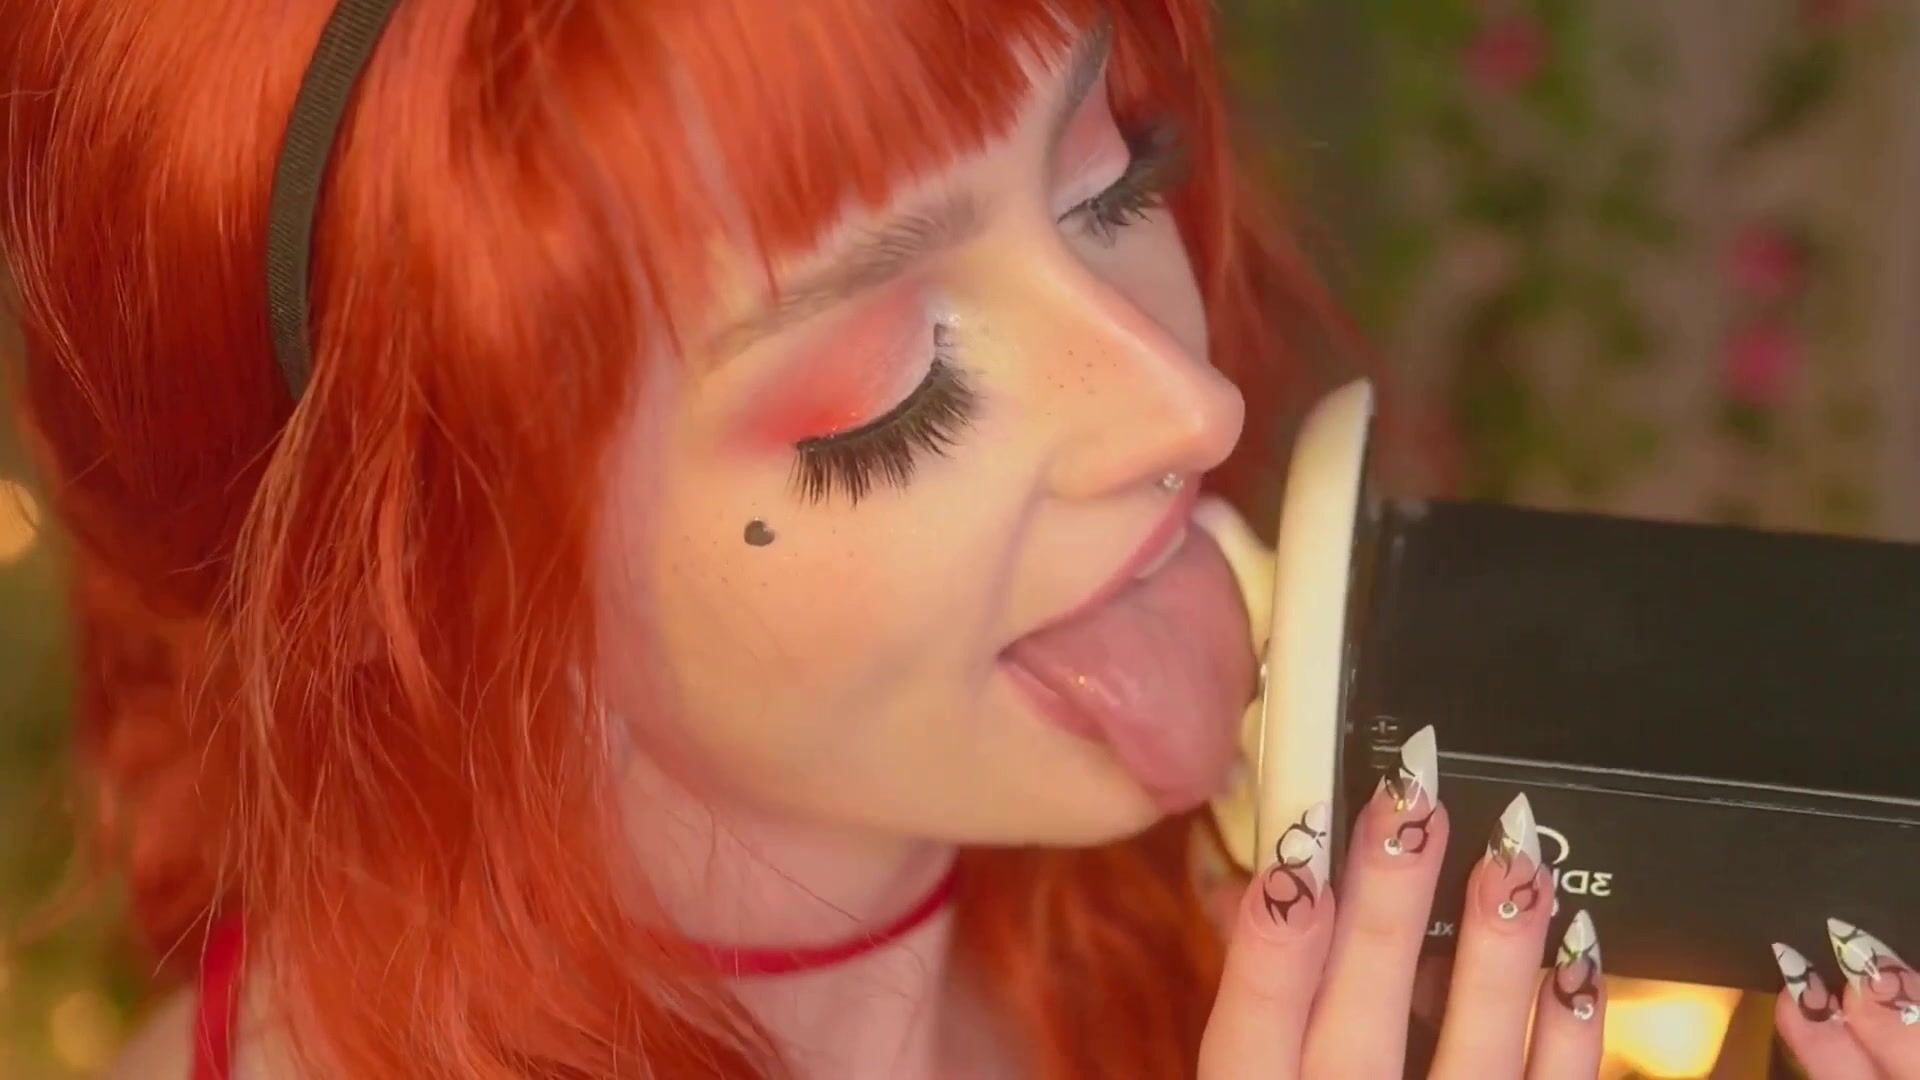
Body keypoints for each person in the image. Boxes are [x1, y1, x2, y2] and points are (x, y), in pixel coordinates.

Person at [1, 0, 1912, 1076]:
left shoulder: (1231, 954)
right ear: (429, 585)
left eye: (1115, 180)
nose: (1188, 406)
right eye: (891, 394)